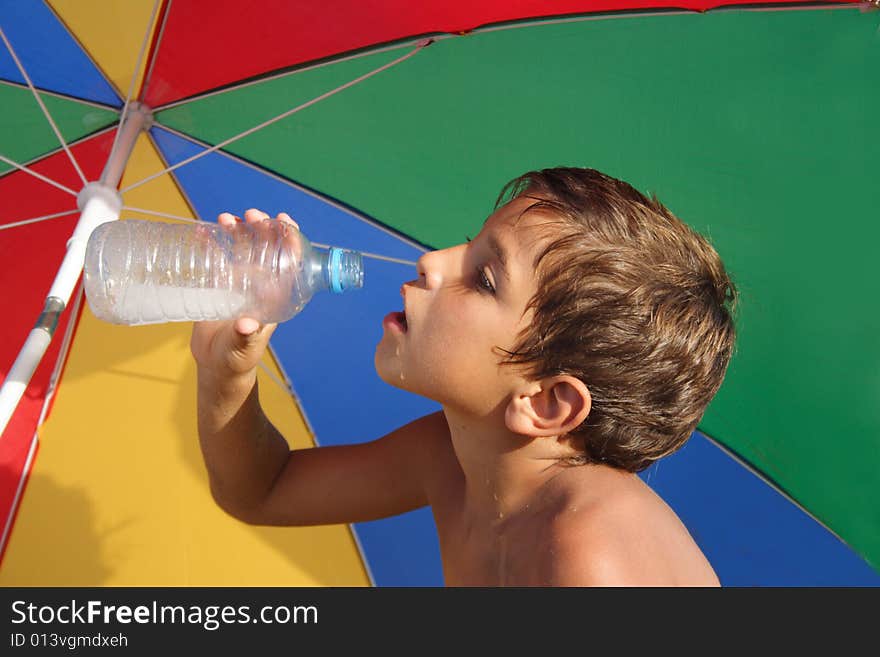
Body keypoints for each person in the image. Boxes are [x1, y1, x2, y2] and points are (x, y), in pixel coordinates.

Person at [190, 167, 737, 586]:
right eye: (467, 246)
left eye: (484, 278)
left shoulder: (595, 549)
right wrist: (226, 376)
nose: (432, 261)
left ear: (546, 402)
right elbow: (263, 491)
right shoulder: (450, 457)